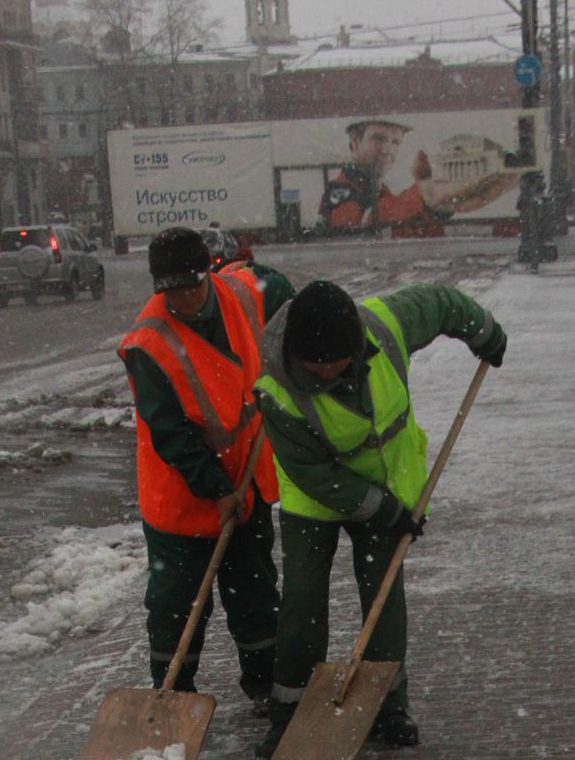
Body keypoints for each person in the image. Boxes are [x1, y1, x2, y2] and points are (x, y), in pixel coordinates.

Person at [252, 279, 507, 758]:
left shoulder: (384, 325)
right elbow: (313, 473)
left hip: (388, 480)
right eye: (317, 366)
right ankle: (288, 710)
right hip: (318, 495)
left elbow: (441, 302)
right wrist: (383, 509)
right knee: (304, 597)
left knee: (383, 593)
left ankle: (389, 703)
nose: (327, 371)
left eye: (336, 362)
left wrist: (484, 331)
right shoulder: (276, 390)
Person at [118, 226, 294, 704]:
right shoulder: (147, 343)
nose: (185, 297)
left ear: (209, 274)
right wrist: (217, 490)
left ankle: (266, 688)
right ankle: (173, 695)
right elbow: (171, 434)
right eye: (172, 289)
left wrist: (293, 343)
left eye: (193, 284)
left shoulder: (240, 291)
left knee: (255, 594)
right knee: (176, 605)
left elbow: (279, 292)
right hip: (180, 497)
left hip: (247, 481)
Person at [321, 118, 517, 235]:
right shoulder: (340, 191)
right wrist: (423, 196)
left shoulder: (378, 192)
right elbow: (350, 230)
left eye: (396, 142)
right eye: (378, 139)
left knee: (469, 197)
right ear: (355, 141)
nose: (388, 149)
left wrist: (437, 209)